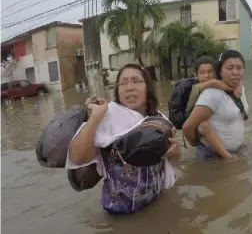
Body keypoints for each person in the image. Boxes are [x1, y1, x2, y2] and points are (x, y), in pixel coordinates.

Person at [67, 64, 181, 215]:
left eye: (136, 81)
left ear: (148, 87)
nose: (129, 87)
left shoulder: (158, 118)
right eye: (124, 82)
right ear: (118, 90)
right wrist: (95, 117)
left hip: (156, 202)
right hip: (121, 212)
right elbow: (77, 158)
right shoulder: (107, 116)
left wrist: (175, 151)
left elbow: (176, 155)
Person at [183, 50, 248, 160]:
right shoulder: (212, 94)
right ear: (220, 71)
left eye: (239, 68)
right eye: (230, 68)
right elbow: (187, 127)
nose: (235, 72)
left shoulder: (241, 90)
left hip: (235, 153)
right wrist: (199, 144)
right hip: (212, 156)